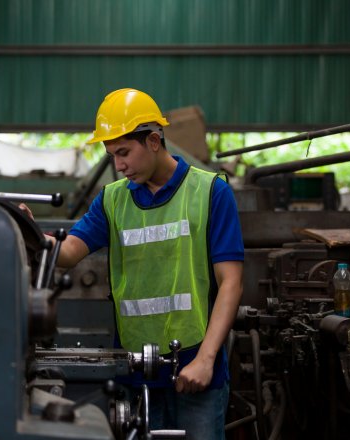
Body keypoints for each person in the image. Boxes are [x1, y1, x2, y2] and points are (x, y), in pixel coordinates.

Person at [22, 88, 244, 440]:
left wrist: (205, 359)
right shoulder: (112, 200)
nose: (118, 165)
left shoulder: (210, 192)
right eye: (112, 155)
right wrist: (30, 232)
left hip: (197, 368)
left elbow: (231, 282)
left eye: (124, 152)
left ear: (154, 141)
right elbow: (68, 252)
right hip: (136, 369)